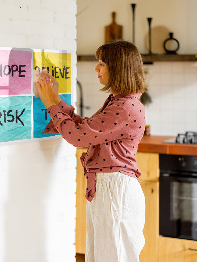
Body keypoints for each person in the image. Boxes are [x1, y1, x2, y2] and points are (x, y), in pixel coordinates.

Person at [35, 40, 147, 262]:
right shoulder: (120, 102)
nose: (96, 68)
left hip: (115, 191)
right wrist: (56, 99)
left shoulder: (124, 107)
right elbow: (86, 129)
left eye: (102, 63)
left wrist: (50, 104)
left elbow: (78, 137)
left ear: (118, 68)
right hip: (110, 189)